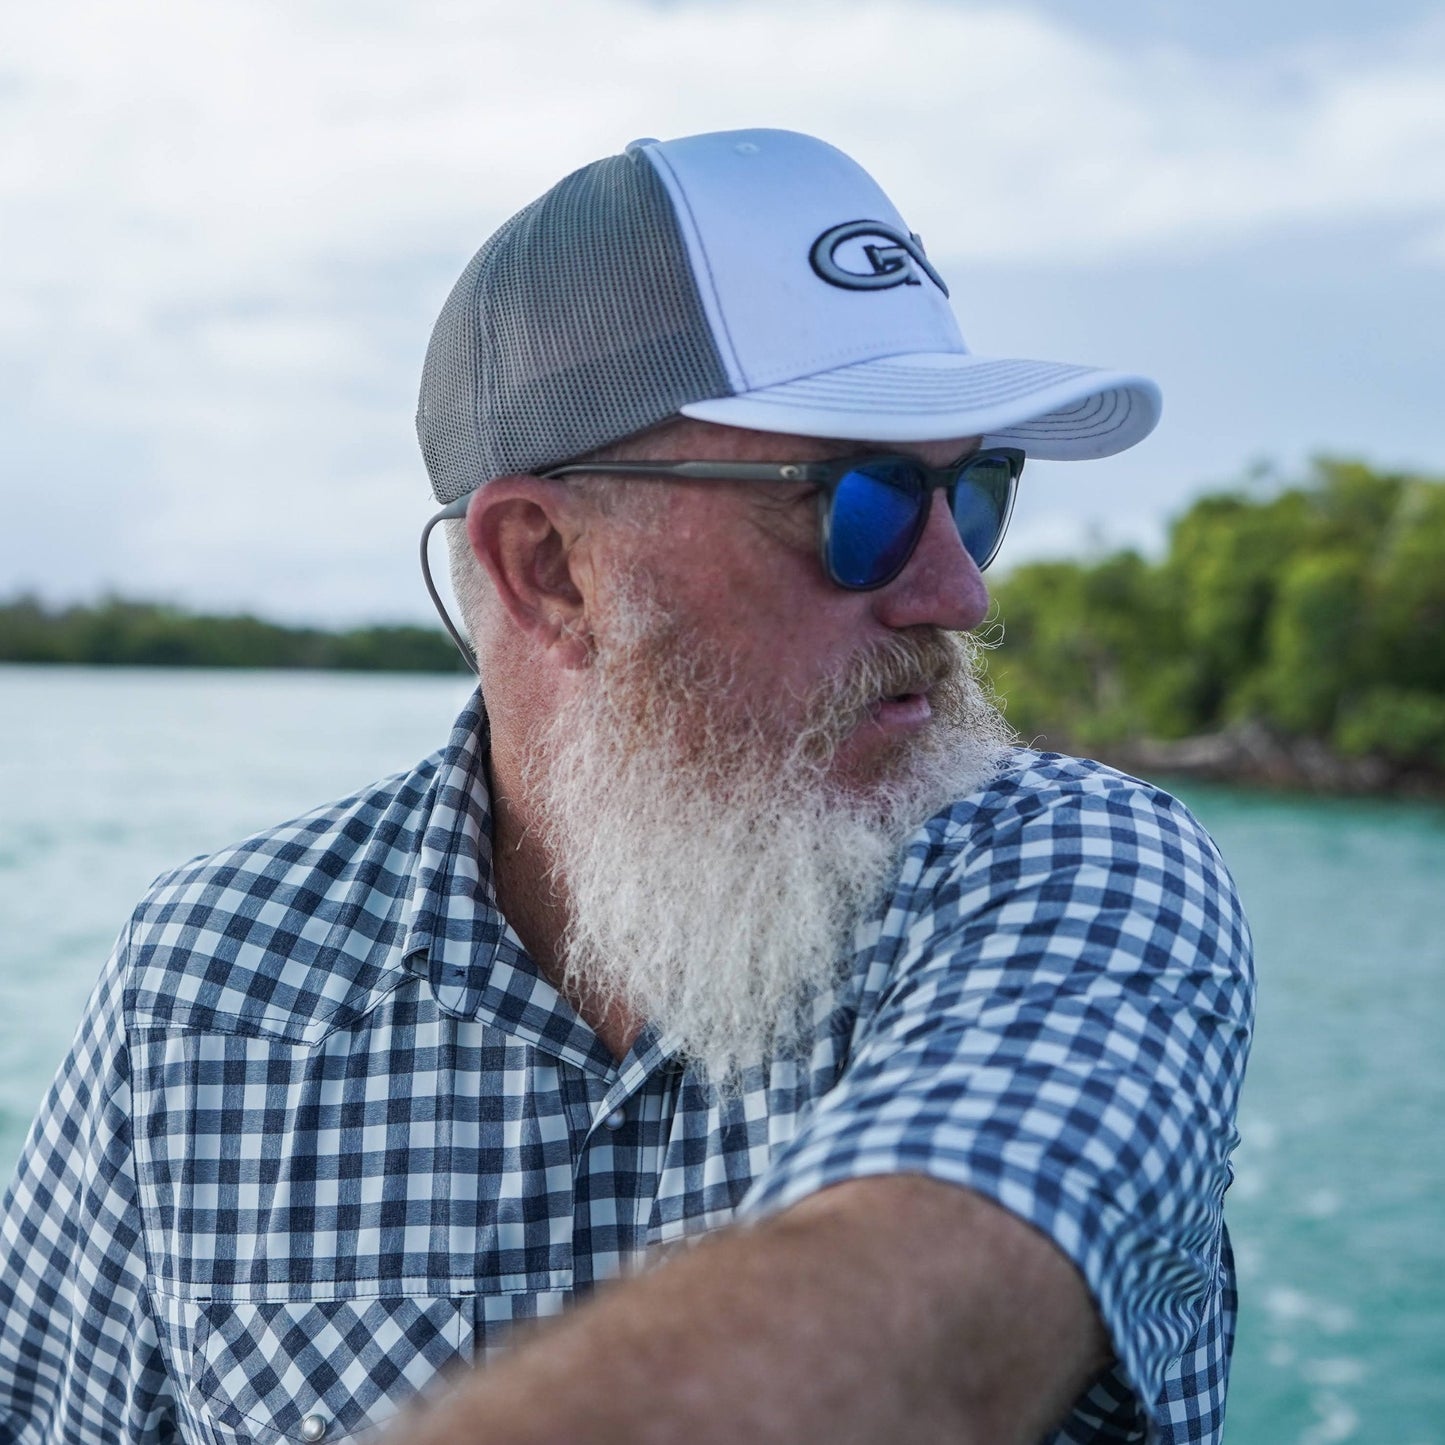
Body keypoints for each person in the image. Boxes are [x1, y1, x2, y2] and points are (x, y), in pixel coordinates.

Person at [0, 129, 1253, 1444]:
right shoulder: (206, 980)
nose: (958, 590)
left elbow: (932, 1324)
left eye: (975, 491)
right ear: (547, 566)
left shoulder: (1080, 871)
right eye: (863, 502)